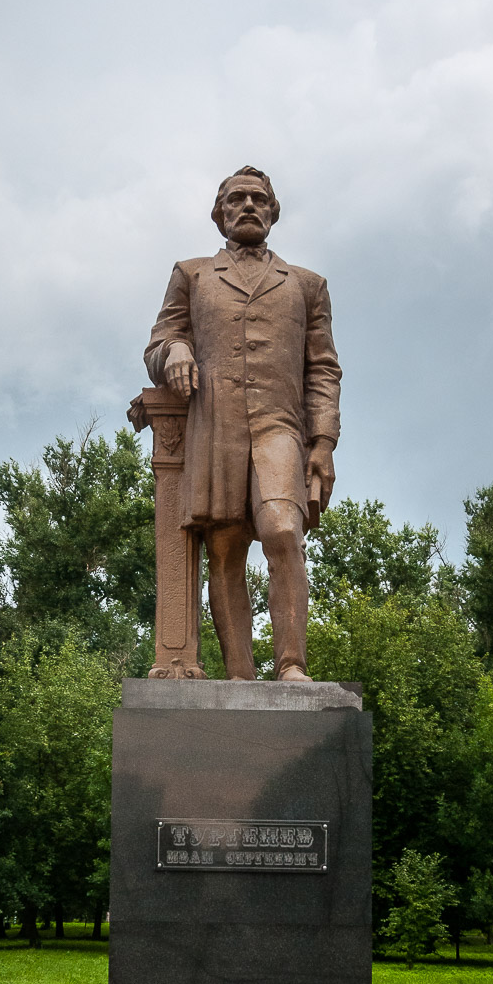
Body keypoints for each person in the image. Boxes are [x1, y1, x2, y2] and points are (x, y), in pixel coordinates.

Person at [144, 165, 341, 681]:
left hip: (280, 429)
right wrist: (178, 349)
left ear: (273, 212)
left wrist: (322, 442)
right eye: (237, 199)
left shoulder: (307, 284)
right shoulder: (192, 274)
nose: (248, 205)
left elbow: (322, 367)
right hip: (216, 430)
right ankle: (239, 675)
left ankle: (292, 666)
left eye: (259, 198)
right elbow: (158, 344)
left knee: (282, 531)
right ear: (221, 214)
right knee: (226, 548)